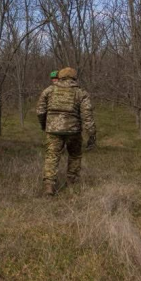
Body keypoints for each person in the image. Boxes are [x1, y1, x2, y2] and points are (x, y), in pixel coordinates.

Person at [35, 67, 96, 196]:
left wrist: (45, 125)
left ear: (60, 76)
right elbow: (87, 116)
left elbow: (40, 111)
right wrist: (91, 134)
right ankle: (71, 182)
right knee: (74, 155)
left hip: (53, 131)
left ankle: (49, 186)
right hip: (73, 131)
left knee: (52, 156)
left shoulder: (49, 90)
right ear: (74, 78)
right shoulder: (81, 93)